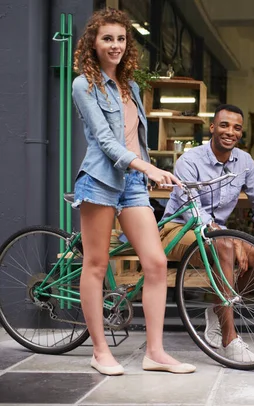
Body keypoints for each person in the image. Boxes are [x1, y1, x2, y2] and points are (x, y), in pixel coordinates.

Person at [71, 9, 195, 375]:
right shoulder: (84, 85)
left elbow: (135, 140)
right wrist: (148, 167)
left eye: (121, 39)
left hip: (132, 185)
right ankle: (99, 351)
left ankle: (154, 352)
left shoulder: (131, 87)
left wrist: (149, 172)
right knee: (96, 264)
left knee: (156, 263)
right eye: (107, 38)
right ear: (92, 42)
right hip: (100, 182)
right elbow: (107, 142)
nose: (115, 45)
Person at [160, 103, 254, 362]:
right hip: (178, 229)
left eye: (236, 128)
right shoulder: (190, 160)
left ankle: (217, 309)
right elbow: (194, 212)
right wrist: (231, 240)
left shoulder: (244, 161)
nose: (230, 132)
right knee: (224, 244)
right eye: (224, 125)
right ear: (212, 127)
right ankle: (229, 339)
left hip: (217, 235)